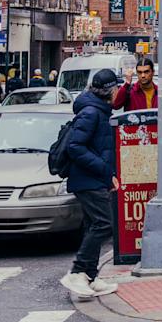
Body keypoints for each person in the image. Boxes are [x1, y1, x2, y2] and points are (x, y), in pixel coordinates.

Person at [59, 68, 120, 300]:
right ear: (108, 90)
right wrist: (105, 170)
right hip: (87, 179)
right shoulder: (91, 112)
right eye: (116, 88)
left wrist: (108, 174)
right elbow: (76, 147)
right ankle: (77, 272)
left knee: (93, 224)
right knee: (104, 224)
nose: (118, 92)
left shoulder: (99, 110)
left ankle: (91, 277)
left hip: (94, 178)